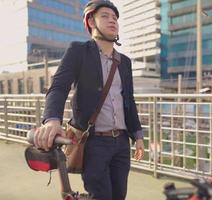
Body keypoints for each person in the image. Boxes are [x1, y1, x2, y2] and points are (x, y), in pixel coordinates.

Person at [33, 1, 144, 200]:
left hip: (121, 142)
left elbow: (129, 100)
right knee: (101, 195)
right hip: (93, 142)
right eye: (105, 16)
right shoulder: (79, 51)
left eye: (115, 17)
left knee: (119, 195)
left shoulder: (125, 62)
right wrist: (52, 120)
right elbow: (58, 87)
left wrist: (138, 135)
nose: (112, 20)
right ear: (91, 21)